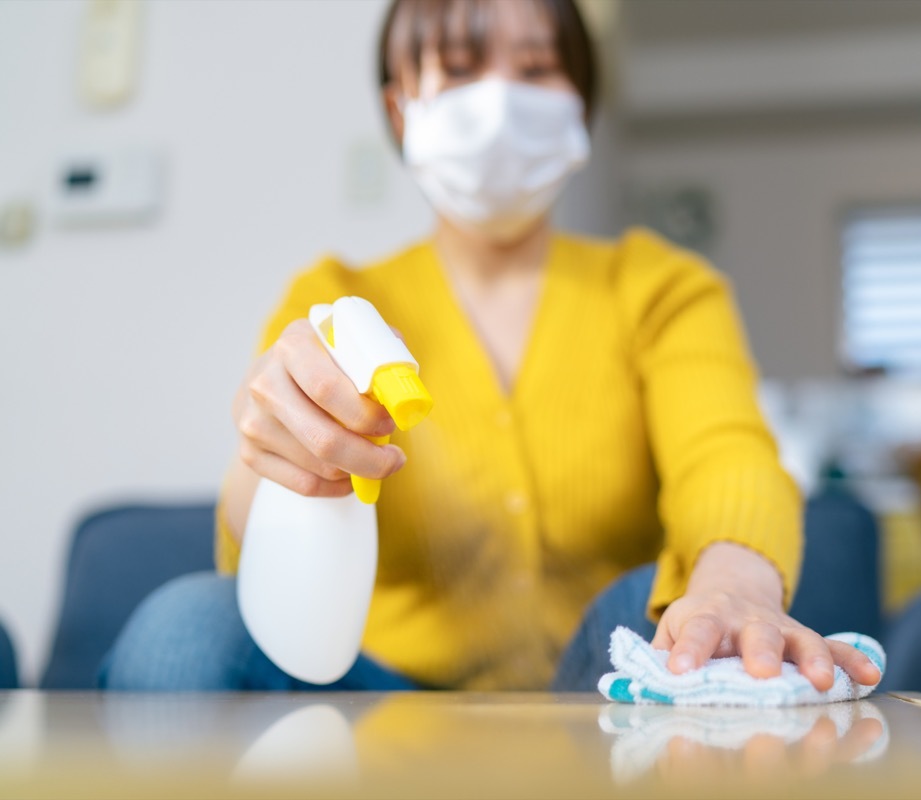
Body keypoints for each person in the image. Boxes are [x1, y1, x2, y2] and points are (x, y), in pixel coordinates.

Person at [101, 0, 881, 693]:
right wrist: (267, 451)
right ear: (400, 108)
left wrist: (736, 585)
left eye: (537, 67)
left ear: (580, 104)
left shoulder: (658, 287)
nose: (499, 99)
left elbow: (725, 452)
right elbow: (258, 531)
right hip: (370, 705)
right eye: (463, 67)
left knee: (655, 593)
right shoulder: (336, 298)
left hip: (603, 687)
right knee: (186, 625)